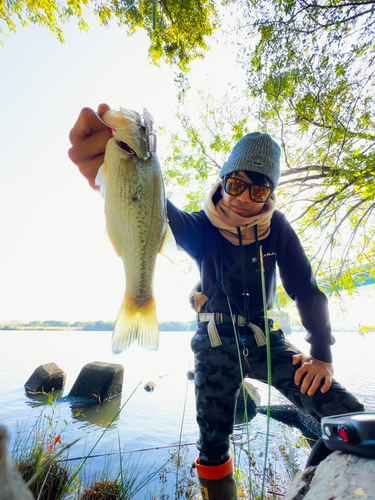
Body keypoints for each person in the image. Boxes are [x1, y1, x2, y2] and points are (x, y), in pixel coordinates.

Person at [68, 104, 365, 500]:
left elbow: (307, 290)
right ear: (223, 181)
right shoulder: (201, 227)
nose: (243, 199)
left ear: (270, 195)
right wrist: (108, 171)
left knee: (350, 415)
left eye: (258, 190)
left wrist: (322, 354)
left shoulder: (277, 228)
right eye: (235, 185)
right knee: (211, 447)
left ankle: (308, 486)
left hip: (267, 342)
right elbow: (150, 208)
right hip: (213, 344)